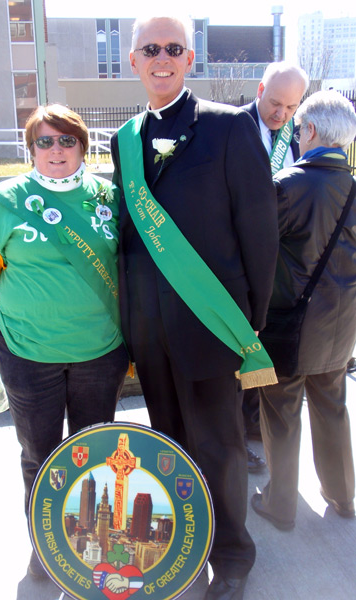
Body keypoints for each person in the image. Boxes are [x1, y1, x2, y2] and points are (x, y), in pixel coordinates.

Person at [111, 15, 279, 600]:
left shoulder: (231, 127)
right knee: (170, 446)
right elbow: (130, 239)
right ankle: (184, 546)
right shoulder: (125, 139)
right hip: (150, 332)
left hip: (213, 326)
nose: (162, 58)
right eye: (150, 48)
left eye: (173, 48)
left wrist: (249, 324)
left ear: (189, 59)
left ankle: (232, 557)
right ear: (133, 60)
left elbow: (260, 233)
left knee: (221, 448)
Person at [0, 104, 129, 578]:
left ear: (83, 146)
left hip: (100, 354)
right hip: (29, 356)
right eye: (44, 141)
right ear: (30, 148)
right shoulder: (4, 202)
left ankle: (91, 540)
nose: (56, 150)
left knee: (93, 453)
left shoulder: (109, 198)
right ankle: (46, 542)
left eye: (67, 140)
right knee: (40, 455)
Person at [251, 90, 356, 531]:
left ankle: (280, 504)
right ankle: (343, 496)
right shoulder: (352, 187)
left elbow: (255, 252)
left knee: (280, 413)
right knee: (332, 407)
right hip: (342, 325)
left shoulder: (286, 186)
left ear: (309, 130)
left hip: (289, 323)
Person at [241, 62, 309, 462]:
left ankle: (254, 423)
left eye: (291, 107)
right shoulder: (234, 127)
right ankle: (236, 433)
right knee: (241, 349)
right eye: (275, 102)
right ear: (261, 88)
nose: (281, 114)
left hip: (280, 266)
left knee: (265, 351)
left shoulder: (296, 138)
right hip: (240, 264)